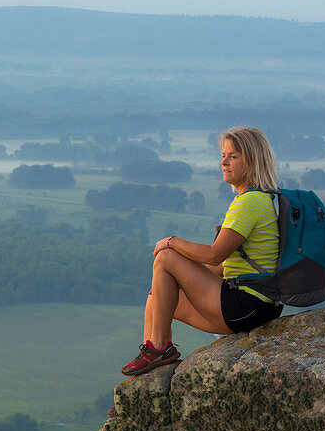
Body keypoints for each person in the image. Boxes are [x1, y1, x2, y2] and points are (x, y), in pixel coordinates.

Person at [121, 126, 284, 376]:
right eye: (223, 154)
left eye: (234, 156)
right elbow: (220, 267)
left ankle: (160, 350)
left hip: (246, 305)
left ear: (252, 162)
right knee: (157, 297)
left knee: (165, 258)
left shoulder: (249, 202)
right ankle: (149, 373)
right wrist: (186, 280)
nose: (224, 162)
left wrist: (171, 243)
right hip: (255, 307)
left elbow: (213, 255)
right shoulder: (262, 199)